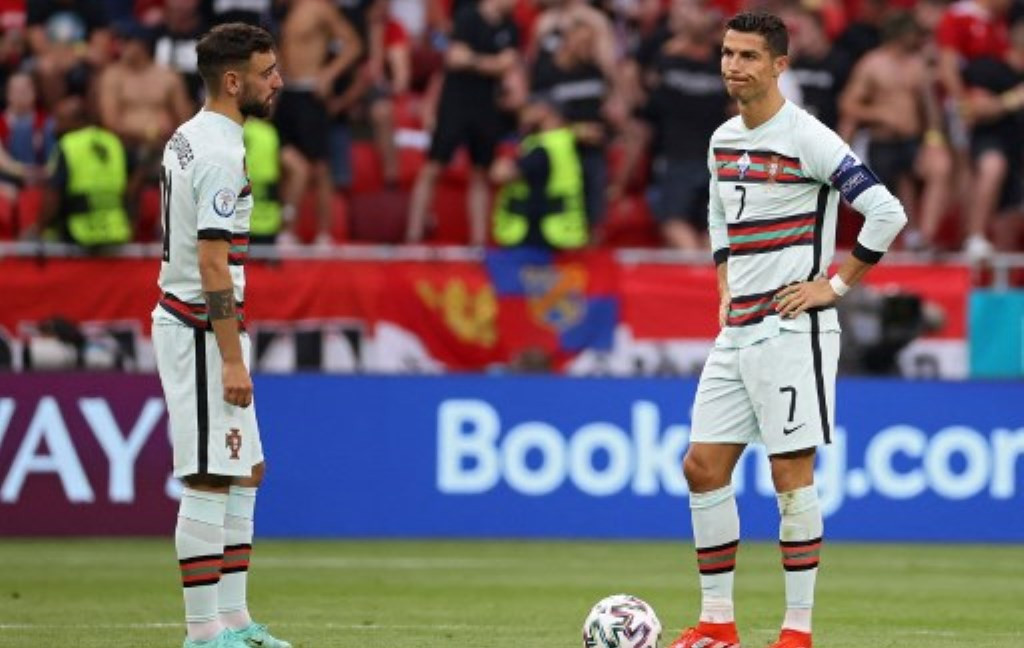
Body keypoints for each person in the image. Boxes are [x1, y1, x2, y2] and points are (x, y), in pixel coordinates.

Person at [670, 13, 907, 648]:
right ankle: (718, 623)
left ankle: (796, 632)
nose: (733, 66)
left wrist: (835, 285)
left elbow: (886, 212)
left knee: (789, 474)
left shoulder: (809, 137)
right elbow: (720, 215)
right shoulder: (723, 139)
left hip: (790, 331)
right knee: (701, 466)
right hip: (737, 328)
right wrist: (723, 278)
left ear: (779, 65)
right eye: (727, 53)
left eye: (749, 55)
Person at [150, 22, 290, 648]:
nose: (278, 82)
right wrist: (232, 359)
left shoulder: (190, 135)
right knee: (209, 476)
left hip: (210, 325)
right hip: (201, 328)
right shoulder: (220, 153)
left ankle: (234, 618)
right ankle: (204, 634)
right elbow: (211, 263)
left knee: (246, 469)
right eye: (268, 72)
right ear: (234, 81)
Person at [405, 0, 519, 246]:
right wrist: (490, 63)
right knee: (433, 166)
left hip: (487, 108)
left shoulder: (510, 27)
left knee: (480, 172)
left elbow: (506, 64)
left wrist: (474, 61)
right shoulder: (467, 16)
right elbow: (455, 58)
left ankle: (478, 243)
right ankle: (412, 236)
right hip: (455, 104)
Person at [838, 12, 952, 252]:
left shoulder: (917, 64)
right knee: (890, 196)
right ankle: (880, 247)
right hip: (882, 142)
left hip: (912, 141)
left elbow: (930, 110)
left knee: (940, 166)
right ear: (901, 35)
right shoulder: (872, 64)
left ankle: (925, 238)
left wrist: (933, 141)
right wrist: (880, 114)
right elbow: (848, 104)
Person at [274, 0, 362, 246]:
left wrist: (329, 74)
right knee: (287, 166)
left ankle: (324, 234)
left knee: (320, 166)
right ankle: (287, 230)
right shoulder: (284, 12)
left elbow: (353, 45)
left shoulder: (320, 8)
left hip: (310, 92)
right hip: (286, 93)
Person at [490, 93, 588, 249]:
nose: (523, 113)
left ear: (544, 111)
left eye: (529, 107)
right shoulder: (565, 140)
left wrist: (507, 157)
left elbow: (499, 174)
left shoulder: (543, 146)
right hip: (563, 232)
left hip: (543, 237)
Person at [37, 96, 132, 249]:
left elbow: (53, 196)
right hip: (117, 231)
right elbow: (131, 189)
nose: (55, 127)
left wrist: (38, 229)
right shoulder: (113, 142)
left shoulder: (68, 145)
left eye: (61, 120)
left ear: (78, 121)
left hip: (78, 232)